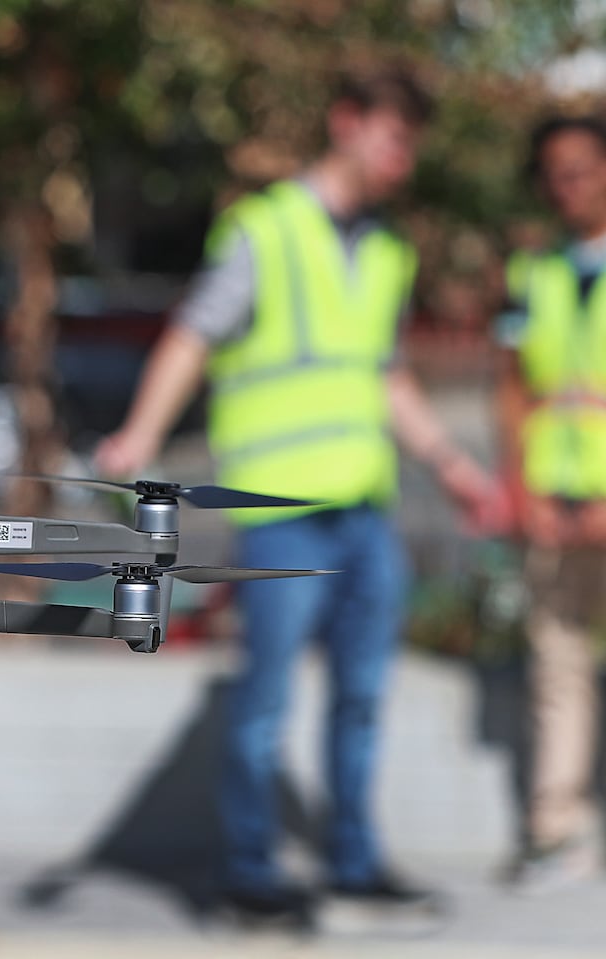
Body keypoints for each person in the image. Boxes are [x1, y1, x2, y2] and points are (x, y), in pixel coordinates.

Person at [94, 66, 501, 920]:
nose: (403, 158)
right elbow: (194, 334)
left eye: (411, 144)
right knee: (266, 696)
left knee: (361, 696)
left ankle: (353, 860)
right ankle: (247, 873)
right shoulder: (266, 228)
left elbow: (384, 374)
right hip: (281, 515)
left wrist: (453, 468)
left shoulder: (388, 249)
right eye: (393, 137)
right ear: (345, 122)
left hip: (362, 510)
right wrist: (139, 432)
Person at [497, 114, 606, 893]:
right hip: (555, 504)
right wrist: (522, 489)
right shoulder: (532, 274)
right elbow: (512, 386)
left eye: (584, 168)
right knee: (558, 668)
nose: (570, 185)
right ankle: (555, 827)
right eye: (556, 172)